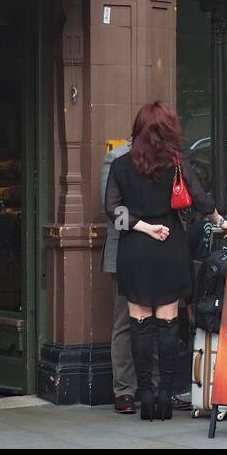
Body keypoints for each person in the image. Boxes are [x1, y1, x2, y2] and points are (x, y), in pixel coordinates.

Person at [105, 101, 227, 421]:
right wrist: (221, 220)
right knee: (168, 323)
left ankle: (143, 395)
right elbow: (201, 199)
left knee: (138, 325)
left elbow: (112, 209)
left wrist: (144, 227)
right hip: (170, 247)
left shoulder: (120, 166)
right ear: (167, 130)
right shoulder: (177, 163)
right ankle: (165, 397)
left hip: (135, 249)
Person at [100, 137, 135, 414]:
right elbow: (112, 207)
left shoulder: (165, 156)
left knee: (162, 320)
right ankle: (124, 391)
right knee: (124, 321)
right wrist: (146, 223)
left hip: (158, 252)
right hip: (124, 251)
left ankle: (156, 387)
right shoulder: (117, 156)